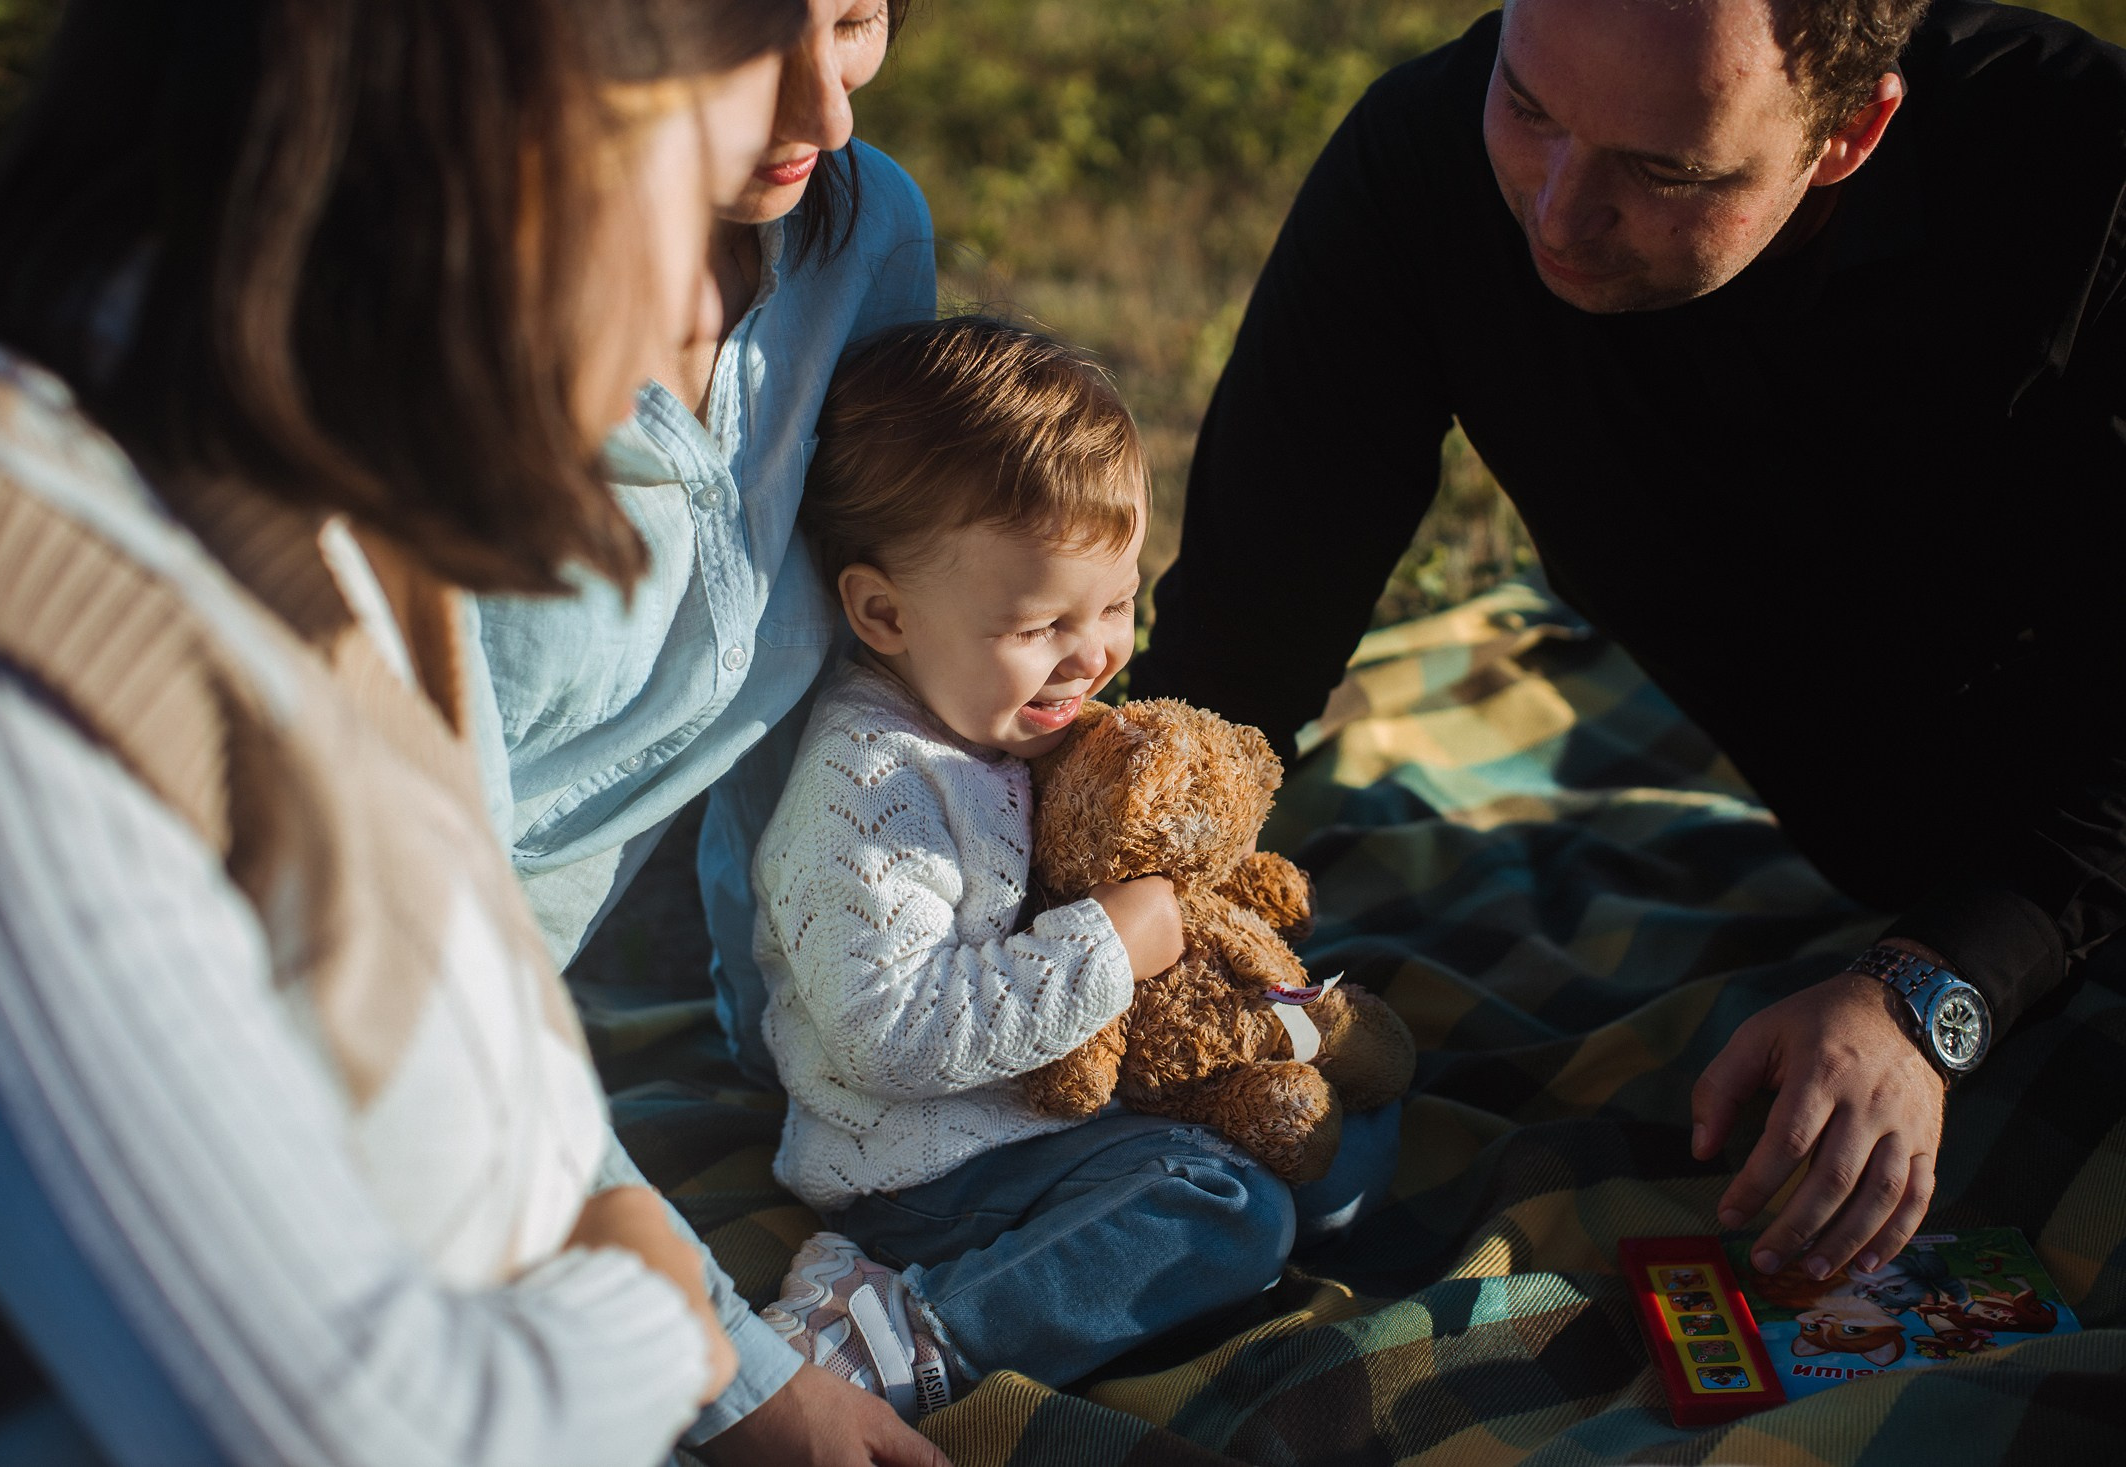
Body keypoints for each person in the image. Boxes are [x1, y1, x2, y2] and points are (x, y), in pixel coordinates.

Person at [0, 3, 940, 1465]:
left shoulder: (348, 542)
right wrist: (669, 1318)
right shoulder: (6, 630)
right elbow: (362, 1429)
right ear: (472, 130)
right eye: (669, 142)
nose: (712, 316)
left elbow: (494, 1085)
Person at [1133, 0, 2126, 1290]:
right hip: (1859, 843)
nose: (1554, 213)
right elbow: (1236, 650)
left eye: (1665, 172)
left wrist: (1930, 989)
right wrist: (1120, 918)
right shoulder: (1421, 166)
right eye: (1528, 108)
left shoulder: (2084, 177)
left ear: (1850, 131)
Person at [747, 317, 1406, 1404]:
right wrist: (1109, 943)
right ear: (883, 612)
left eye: (1116, 604)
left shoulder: (1018, 720)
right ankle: (899, 1333)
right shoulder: (869, 789)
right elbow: (888, 1038)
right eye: (1040, 622)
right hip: (929, 1162)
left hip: (1076, 1103)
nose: (1093, 653)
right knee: (1228, 1213)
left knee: (1344, 1139)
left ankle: (1155, 1236)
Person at [470, 0, 936, 1093]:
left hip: (506, 1026)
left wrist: (794, 1054)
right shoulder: (447, 308)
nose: (824, 110)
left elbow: (831, 711)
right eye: (755, 40)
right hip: (345, 993)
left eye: (857, 20)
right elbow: (402, 872)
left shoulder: (862, 234)